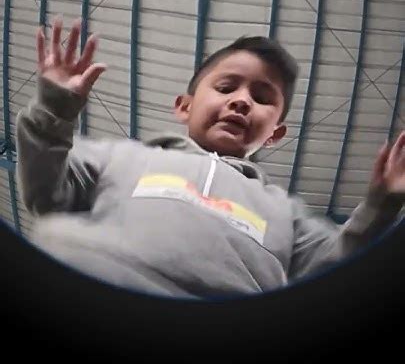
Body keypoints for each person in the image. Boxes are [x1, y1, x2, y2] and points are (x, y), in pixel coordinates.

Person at [16, 17, 405, 299]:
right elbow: (45, 193)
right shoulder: (117, 156)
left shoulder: (287, 216)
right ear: (184, 106)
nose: (241, 101)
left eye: (262, 97)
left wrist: (383, 205)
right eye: (226, 87)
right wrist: (54, 107)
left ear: (275, 134)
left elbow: (338, 273)